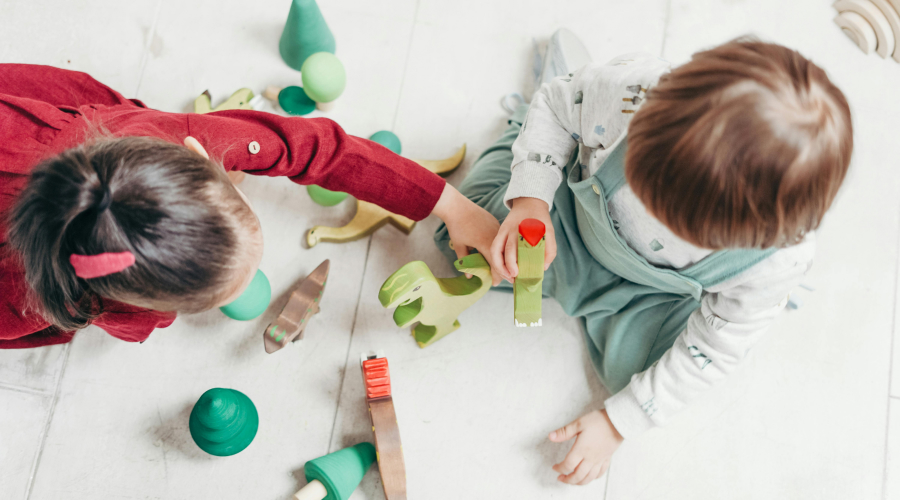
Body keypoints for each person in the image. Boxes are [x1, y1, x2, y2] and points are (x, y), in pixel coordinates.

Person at [435, 31, 852, 485]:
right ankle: (536, 110)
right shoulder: (633, 94)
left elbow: (711, 350)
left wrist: (618, 423)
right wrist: (531, 203)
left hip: (654, 293)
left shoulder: (777, 259)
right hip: (571, 222)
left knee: (641, 383)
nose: (657, 216)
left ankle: (759, 303)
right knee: (457, 235)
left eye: (683, 226)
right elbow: (558, 107)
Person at [0, 64, 499, 348]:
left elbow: (316, 146)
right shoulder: (33, 304)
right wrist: (146, 318)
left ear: (200, 154)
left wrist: (450, 205)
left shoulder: (179, 135)